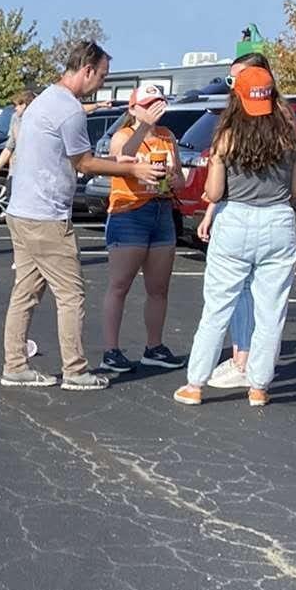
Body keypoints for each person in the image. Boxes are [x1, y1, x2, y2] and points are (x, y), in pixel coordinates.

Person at [0, 41, 147, 391]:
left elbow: (69, 157)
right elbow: (84, 163)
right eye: (103, 76)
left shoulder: (43, 101)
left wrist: (118, 162)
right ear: (87, 70)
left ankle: (15, 365)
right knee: (71, 294)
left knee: (26, 292)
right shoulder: (69, 109)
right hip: (46, 216)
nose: (103, 83)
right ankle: (76, 371)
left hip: (21, 211)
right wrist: (132, 170)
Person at [173, 65, 296, 408]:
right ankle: (258, 386)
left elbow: (215, 192)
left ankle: (195, 384)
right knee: (271, 311)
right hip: (278, 219)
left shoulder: (226, 137)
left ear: (237, 97)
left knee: (217, 307)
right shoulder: (289, 137)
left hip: (235, 220)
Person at [100, 81, 183, 373]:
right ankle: (111, 350)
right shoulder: (123, 135)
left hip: (161, 209)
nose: (154, 110)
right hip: (129, 212)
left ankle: (154, 346)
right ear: (133, 108)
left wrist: (174, 180)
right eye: (147, 105)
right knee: (120, 284)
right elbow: (123, 155)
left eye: (158, 104)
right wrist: (143, 126)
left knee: (158, 288)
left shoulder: (167, 136)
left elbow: (180, 176)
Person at [0, 85, 33, 190]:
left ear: (24, 105)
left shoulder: (38, 122)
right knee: (9, 194)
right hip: (15, 172)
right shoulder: (15, 118)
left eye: (17, 105)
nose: (15, 108)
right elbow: (9, 148)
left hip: (31, 175)